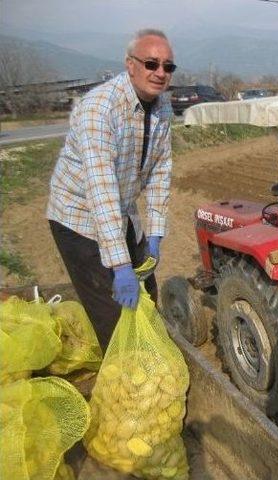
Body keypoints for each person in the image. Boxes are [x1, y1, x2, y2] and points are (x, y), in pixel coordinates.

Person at [47, 28, 176, 349]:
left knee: (148, 296)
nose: (160, 73)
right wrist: (120, 266)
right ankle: (124, 379)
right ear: (130, 64)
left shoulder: (162, 107)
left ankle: (149, 363)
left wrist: (155, 233)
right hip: (79, 219)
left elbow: (161, 169)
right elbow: (101, 190)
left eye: (167, 66)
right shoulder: (98, 109)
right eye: (151, 63)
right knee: (114, 315)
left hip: (123, 211)